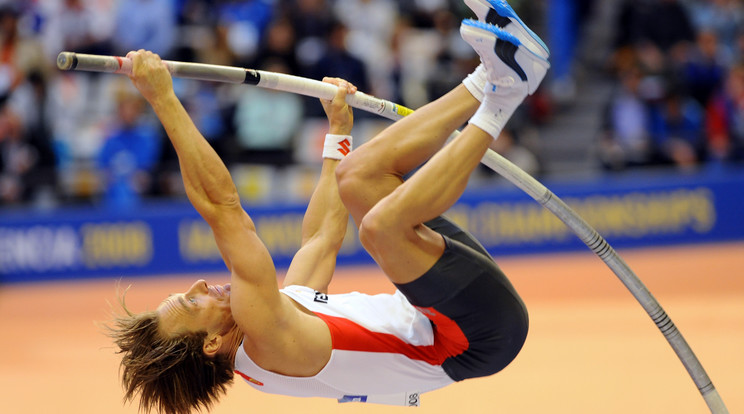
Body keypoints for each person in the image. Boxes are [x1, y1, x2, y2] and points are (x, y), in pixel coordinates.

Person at [106, 1, 549, 413]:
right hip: (474, 335)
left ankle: (491, 72)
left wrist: (337, 132)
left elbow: (320, 241)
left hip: (449, 313)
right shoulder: (266, 339)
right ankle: (503, 95)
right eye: (191, 301)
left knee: (355, 176)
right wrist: (162, 97)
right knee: (379, 228)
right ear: (210, 344)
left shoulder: (276, 322)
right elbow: (222, 206)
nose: (200, 284)